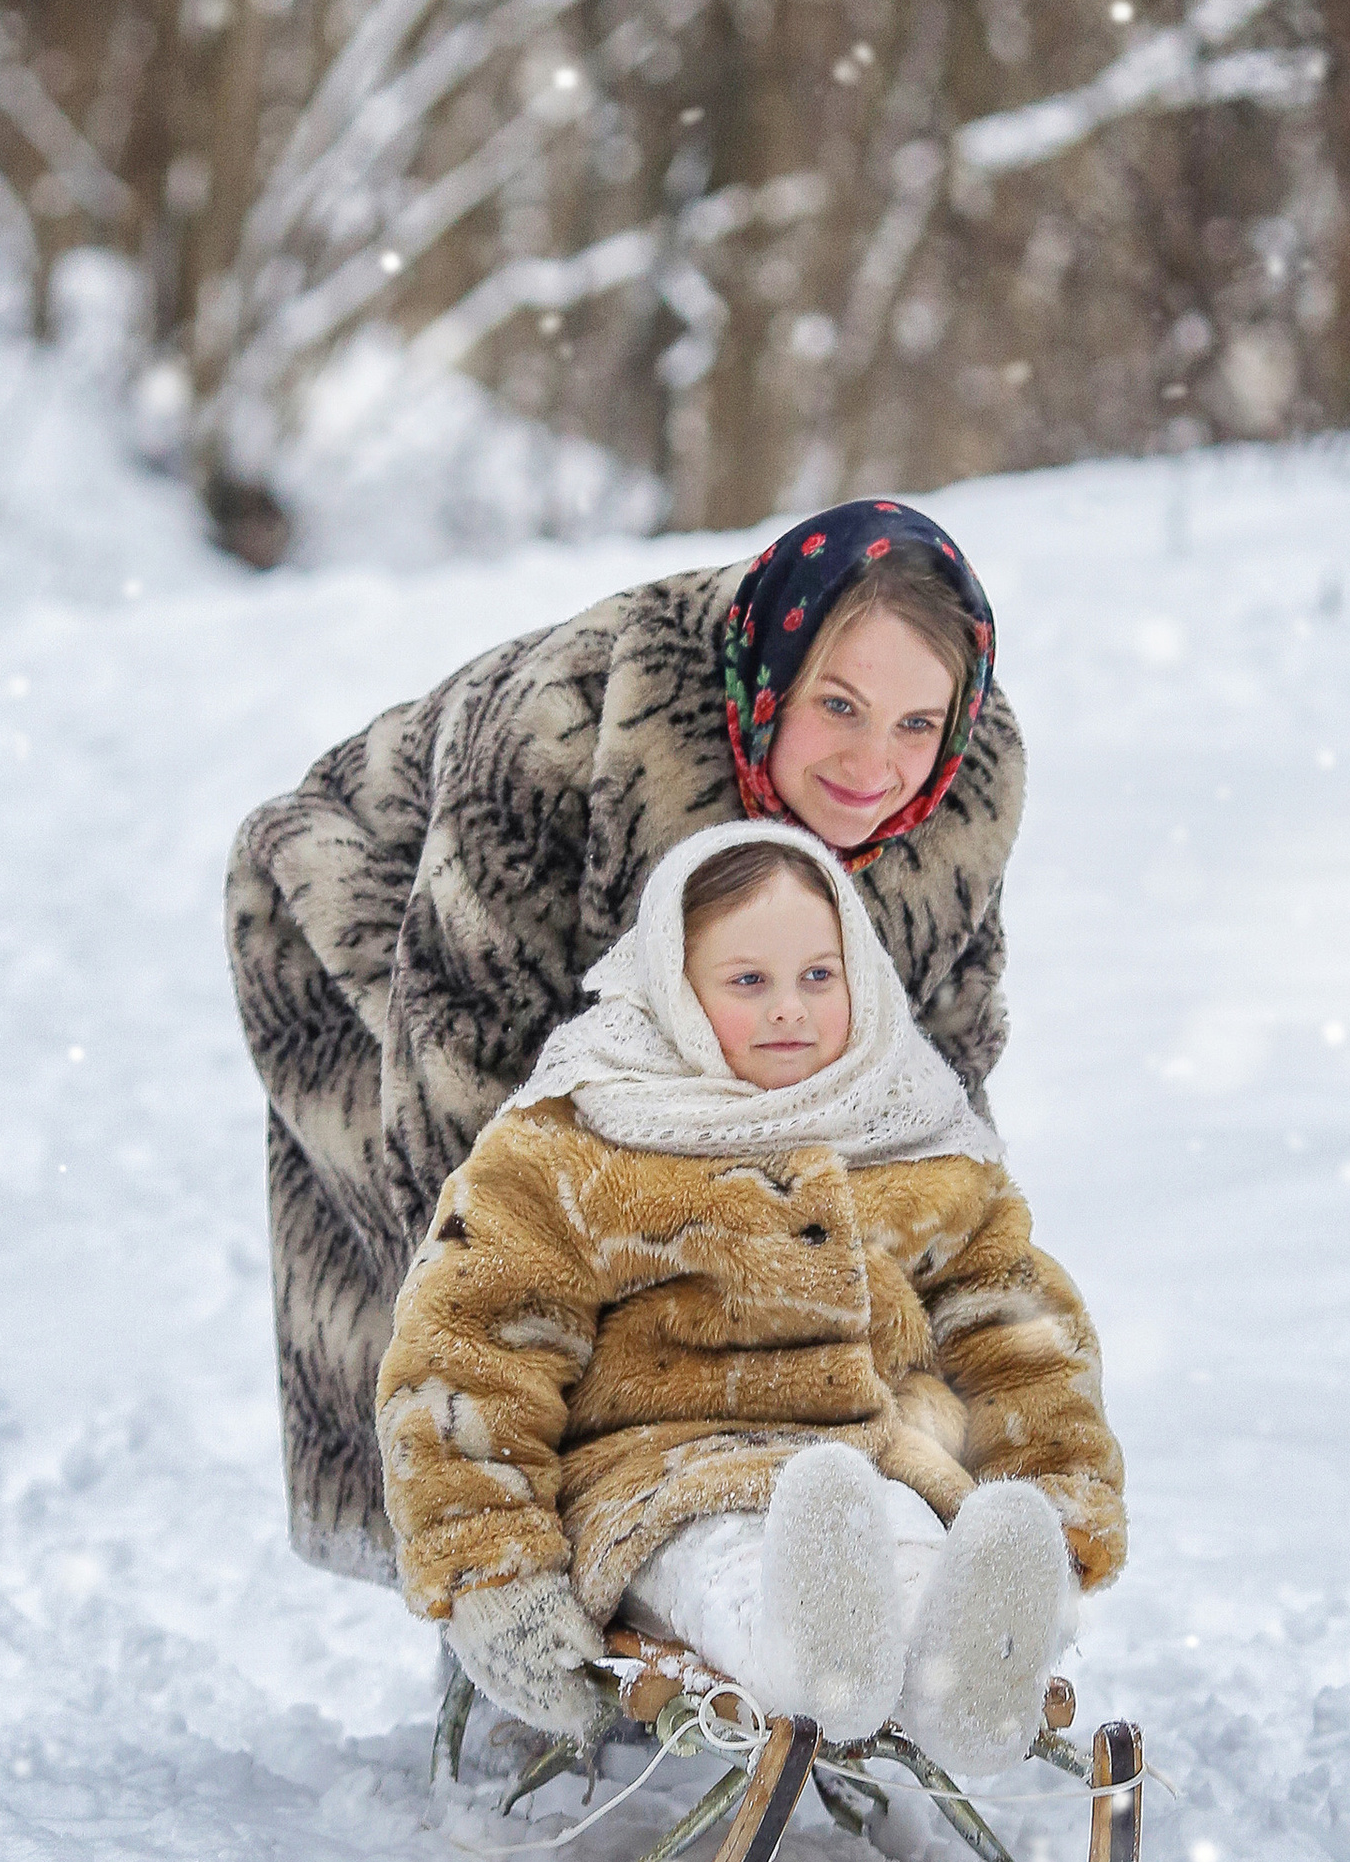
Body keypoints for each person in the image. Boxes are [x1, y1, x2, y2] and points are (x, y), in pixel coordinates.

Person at [226, 501, 1020, 1585]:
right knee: (531, 1271)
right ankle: (512, 1635)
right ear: (772, 676)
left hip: (672, 948)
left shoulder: (955, 795)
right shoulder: (565, 733)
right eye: (838, 705)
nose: (874, 765)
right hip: (364, 915)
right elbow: (459, 1090)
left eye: (913, 725)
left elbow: (933, 1088)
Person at [374, 826, 1124, 1771]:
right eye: (747, 982)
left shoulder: (914, 1133)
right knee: (729, 1568)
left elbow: (1014, 1331)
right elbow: (471, 1352)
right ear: (676, 990)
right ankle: (811, 1665)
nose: (791, 1012)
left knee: (906, 1546)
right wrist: (492, 1564)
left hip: (879, 1467)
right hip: (663, 1481)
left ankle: (966, 1679)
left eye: (819, 976)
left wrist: (1058, 1488)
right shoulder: (578, 1141)